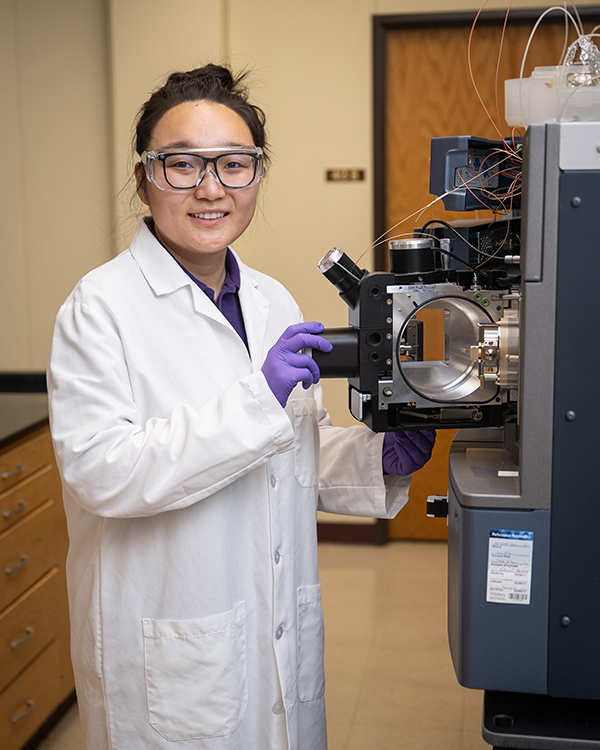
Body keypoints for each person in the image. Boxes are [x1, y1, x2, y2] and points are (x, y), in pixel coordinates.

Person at [47, 64, 435, 750]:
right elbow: (101, 471)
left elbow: (291, 448)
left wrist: (378, 457)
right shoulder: (100, 308)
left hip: (272, 628)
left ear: (257, 177)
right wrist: (257, 399)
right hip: (172, 652)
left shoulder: (271, 300)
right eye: (181, 165)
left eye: (233, 165)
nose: (209, 188)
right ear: (143, 177)